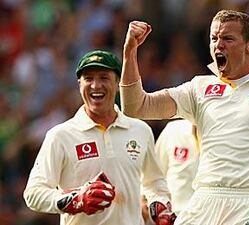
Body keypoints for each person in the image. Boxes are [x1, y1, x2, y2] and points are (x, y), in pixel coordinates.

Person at [120, 10, 249, 225]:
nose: (218, 45)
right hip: (203, 201)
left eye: (228, 39)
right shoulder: (199, 88)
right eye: (214, 38)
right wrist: (130, 53)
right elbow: (136, 107)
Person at [23, 50, 176, 225]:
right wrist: (75, 199)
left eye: (104, 78)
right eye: (88, 79)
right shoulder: (61, 136)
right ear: (79, 84)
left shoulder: (140, 130)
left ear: (118, 83)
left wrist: (160, 205)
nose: (96, 86)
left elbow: (154, 182)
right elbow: (33, 193)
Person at [154, 119, 200, 215]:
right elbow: (154, 175)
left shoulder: (225, 136)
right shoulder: (173, 130)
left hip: (208, 217)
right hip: (173, 216)